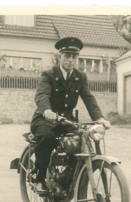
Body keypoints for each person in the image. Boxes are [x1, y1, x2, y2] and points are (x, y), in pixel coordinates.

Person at [30, 36, 111, 192]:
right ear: (60, 56)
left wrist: (99, 118)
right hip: (45, 119)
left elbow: (88, 98)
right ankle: (39, 179)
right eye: (67, 56)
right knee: (47, 138)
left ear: (78, 58)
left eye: (74, 57)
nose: (70, 60)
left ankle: (67, 177)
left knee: (83, 141)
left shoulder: (80, 77)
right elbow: (42, 95)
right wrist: (47, 110)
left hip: (67, 120)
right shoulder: (49, 74)